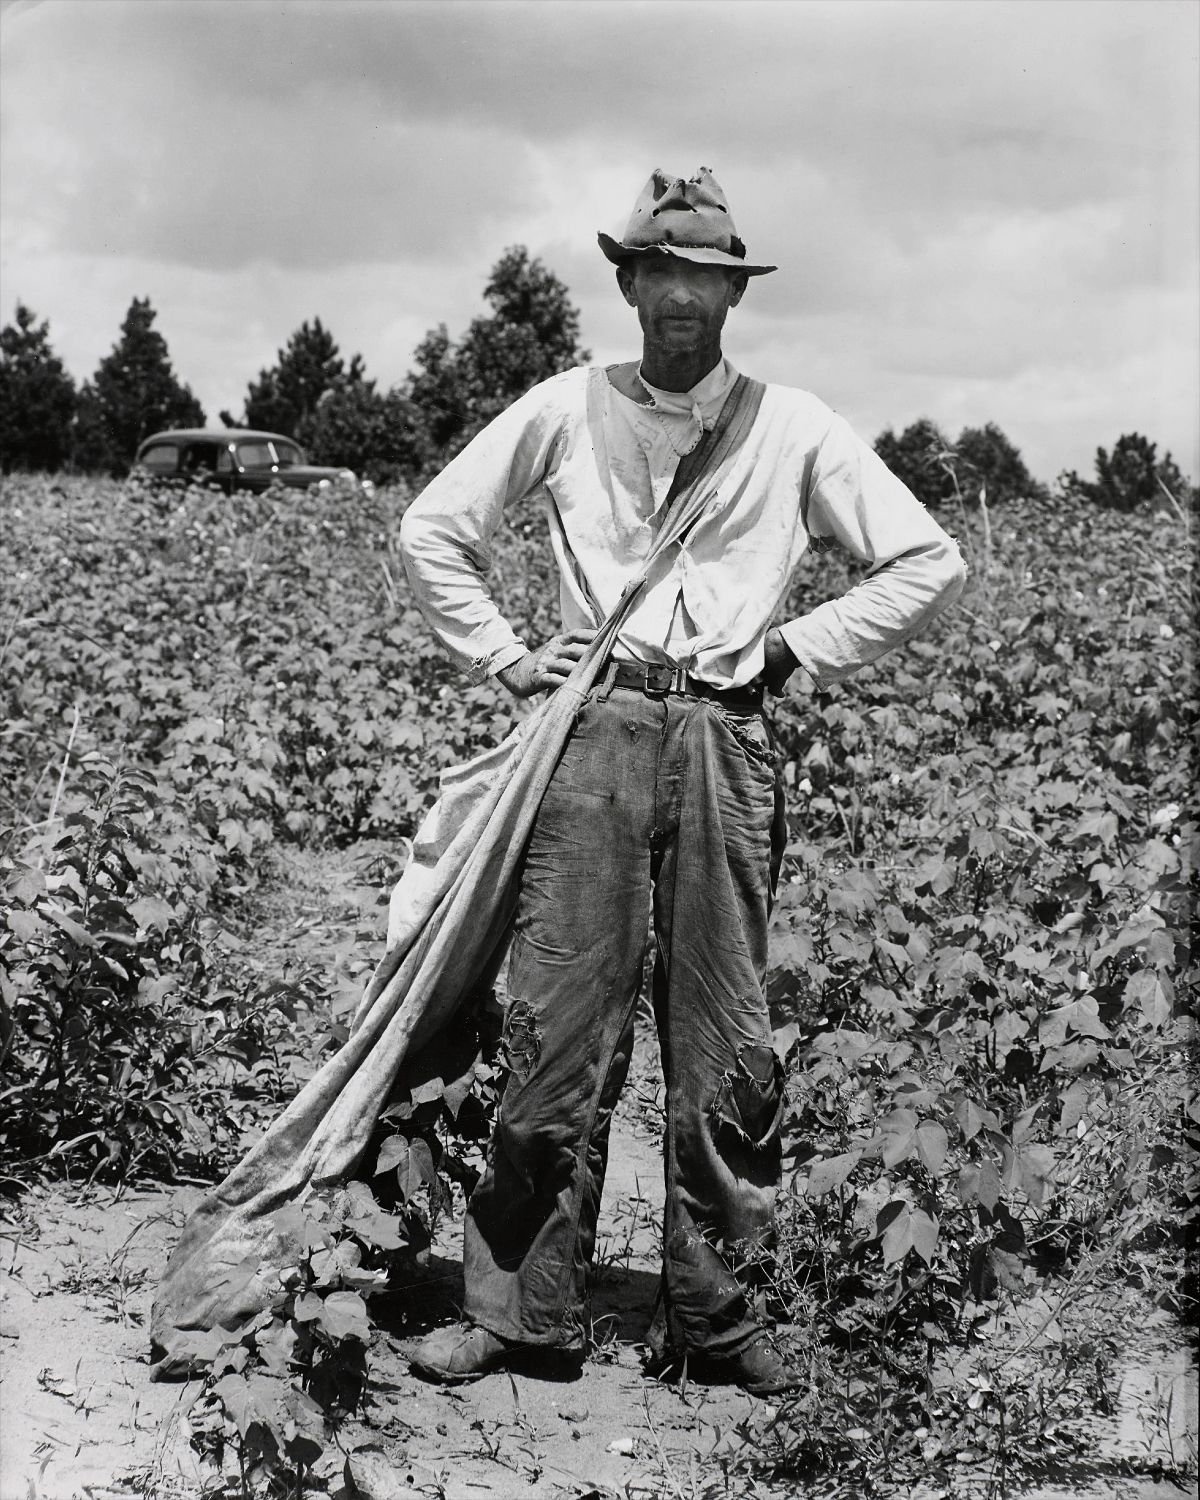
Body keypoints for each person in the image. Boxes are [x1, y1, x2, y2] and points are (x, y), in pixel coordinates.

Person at [399, 167, 966, 1395]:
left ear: (732, 297)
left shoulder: (794, 425)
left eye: (707, 282)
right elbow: (430, 528)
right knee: (556, 1029)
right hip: (591, 733)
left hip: (726, 733)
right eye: (662, 277)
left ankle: (719, 1323)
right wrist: (507, 655)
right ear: (630, 284)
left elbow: (927, 559)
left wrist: (793, 645)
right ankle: (519, 1314)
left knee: (722, 1044)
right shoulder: (562, 407)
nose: (682, 301)